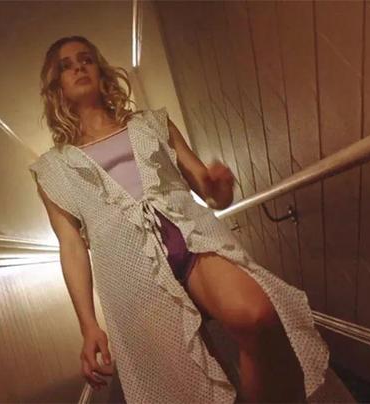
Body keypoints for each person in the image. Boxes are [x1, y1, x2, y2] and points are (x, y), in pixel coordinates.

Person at [29, 35, 329, 403]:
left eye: (86, 59)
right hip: (129, 270)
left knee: (256, 316)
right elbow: (72, 247)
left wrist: (219, 186)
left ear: (101, 70)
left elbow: (212, 193)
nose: (79, 67)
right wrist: (88, 325)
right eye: (66, 65)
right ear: (56, 86)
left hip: (190, 238)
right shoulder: (52, 169)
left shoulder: (152, 124)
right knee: (190, 387)